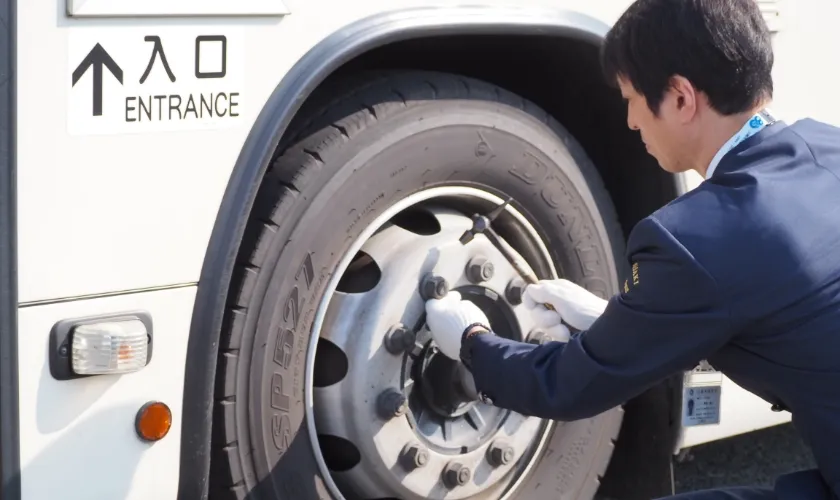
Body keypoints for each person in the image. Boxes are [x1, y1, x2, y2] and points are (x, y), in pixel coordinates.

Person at [423, 0, 840, 499]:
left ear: (681, 97)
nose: (630, 121)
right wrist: (617, 321)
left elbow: (566, 385)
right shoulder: (827, 146)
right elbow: (791, 319)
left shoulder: (694, 239)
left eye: (631, 98)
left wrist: (470, 342)